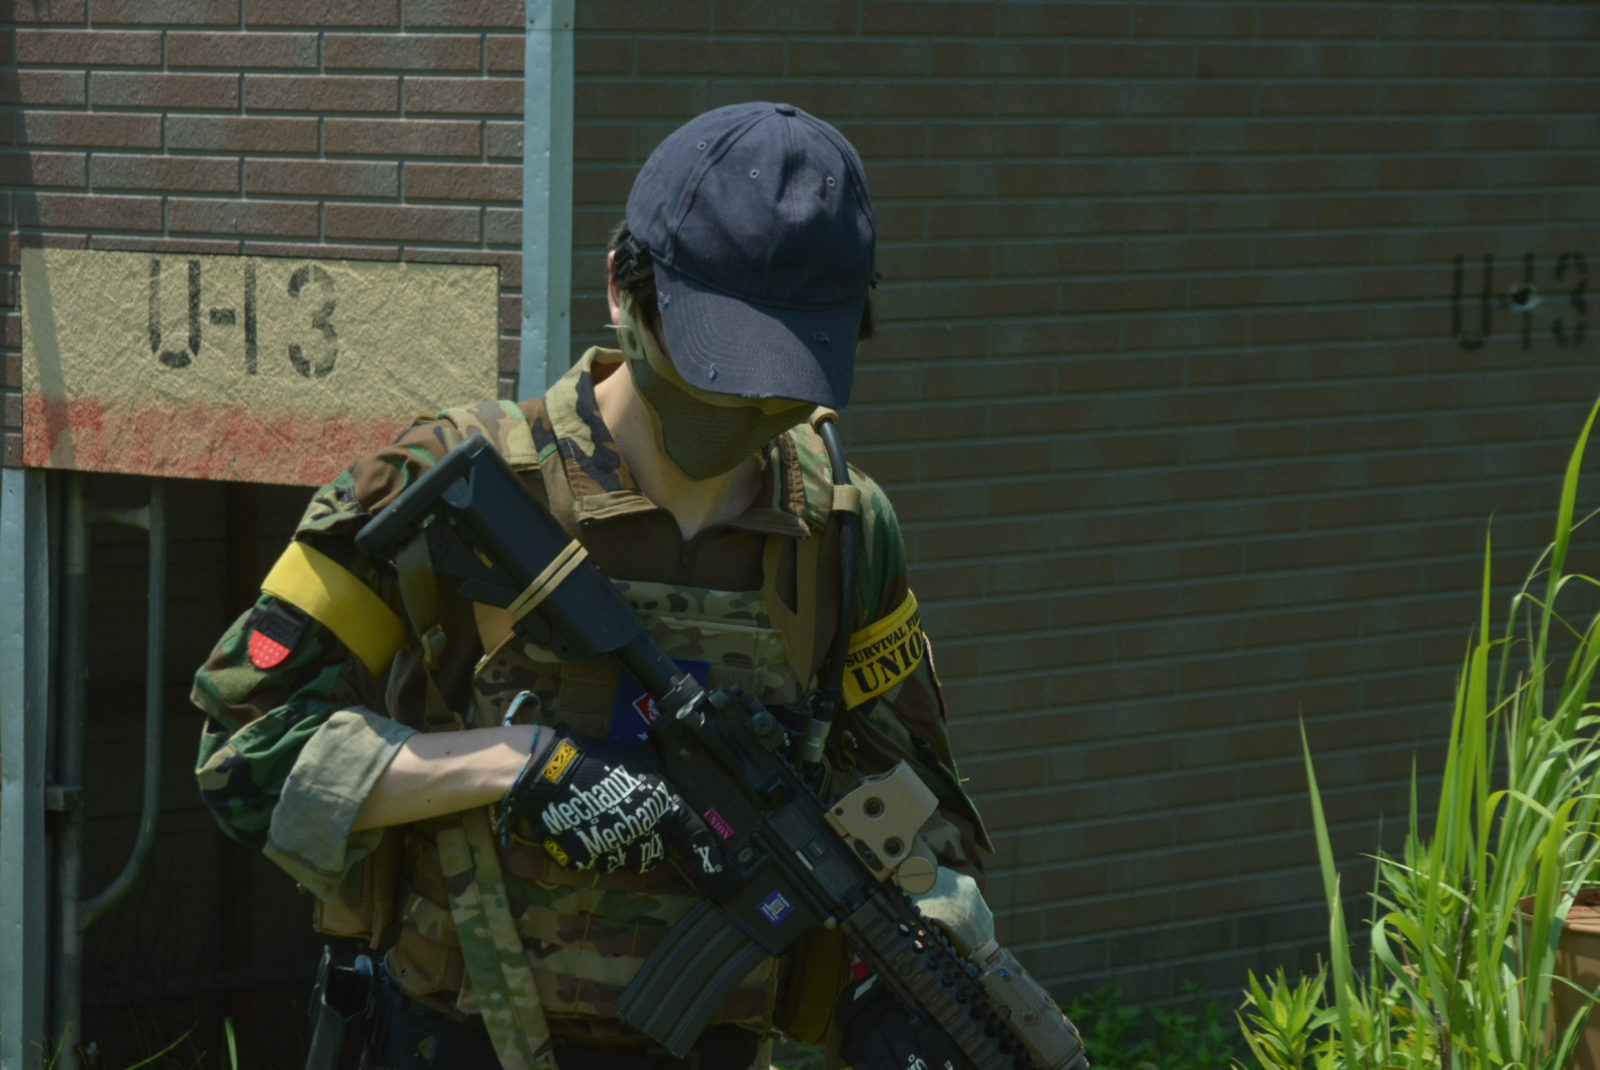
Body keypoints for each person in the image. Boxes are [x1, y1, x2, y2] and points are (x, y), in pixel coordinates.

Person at [192, 102, 995, 1070]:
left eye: (781, 370)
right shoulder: (447, 487)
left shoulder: (846, 534)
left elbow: (920, 815)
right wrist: (516, 762)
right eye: (718, 360)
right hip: (456, 1043)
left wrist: (919, 958)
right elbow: (244, 751)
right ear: (622, 287)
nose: (746, 401)